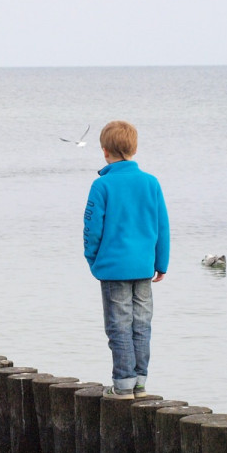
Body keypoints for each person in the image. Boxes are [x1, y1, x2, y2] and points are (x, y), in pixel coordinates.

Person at [83, 120, 170, 399]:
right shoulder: (151, 183)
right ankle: (140, 383)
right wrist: (161, 262)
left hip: (113, 269)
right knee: (141, 324)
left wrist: (93, 261)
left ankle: (122, 384)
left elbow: (91, 229)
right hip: (144, 267)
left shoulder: (102, 185)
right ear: (134, 149)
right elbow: (162, 226)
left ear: (105, 151)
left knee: (118, 326)